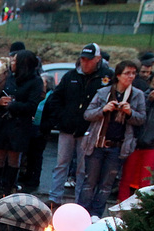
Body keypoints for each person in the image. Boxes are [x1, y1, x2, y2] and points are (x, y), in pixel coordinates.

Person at [43, 43, 113, 209]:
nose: (85, 63)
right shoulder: (71, 76)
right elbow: (56, 98)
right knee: (61, 164)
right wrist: (60, 118)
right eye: (82, 59)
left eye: (88, 60)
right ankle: (55, 198)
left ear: (97, 59)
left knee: (83, 168)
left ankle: (80, 201)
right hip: (67, 128)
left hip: (89, 130)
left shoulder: (107, 77)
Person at [79, 60, 146, 217]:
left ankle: (96, 215)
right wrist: (103, 109)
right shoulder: (104, 92)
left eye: (133, 73)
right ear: (118, 75)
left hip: (118, 146)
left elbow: (142, 119)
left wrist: (130, 113)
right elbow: (87, 114)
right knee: (89, 182)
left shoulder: (138, 95)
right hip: (97, 143)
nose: (131, 76)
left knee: (106, 184)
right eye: (127, 73)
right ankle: (82, 214)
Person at [0, 50, 43, 204]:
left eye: (15, 61)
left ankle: (7, 193)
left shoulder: (35, 81)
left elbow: (32, 105)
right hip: (3, 124)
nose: (12, 63)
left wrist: (12, 104)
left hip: (19, 127)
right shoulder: (8, 78)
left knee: (13, 161)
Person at [118, 69, 154, 201]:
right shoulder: (140, 96)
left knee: (145, 179)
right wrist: (149, 101)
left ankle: (140, 206)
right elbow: (136, 117)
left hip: (153, 144)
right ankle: (121, 205)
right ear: (150, 82)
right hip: (135, 142)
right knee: (126, 177)